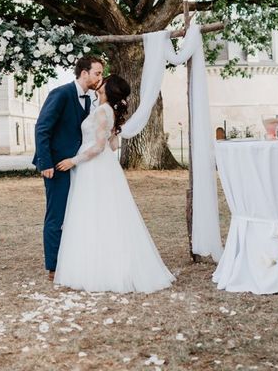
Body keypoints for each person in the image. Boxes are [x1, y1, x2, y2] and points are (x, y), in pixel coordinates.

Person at [53, 75, 175, 293]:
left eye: (105, 79)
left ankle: (98, 270)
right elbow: (113, 145)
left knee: (94, 214)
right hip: (105, 167)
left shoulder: (102, 111)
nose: (101, 80)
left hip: (94, 167)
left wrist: (74, 160)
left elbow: (100, 147)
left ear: (110, 88)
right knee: (108, 214)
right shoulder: (107, 110)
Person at [33, 55, 104, 281]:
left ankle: (72, 259)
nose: (100, 77)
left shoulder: (91, 99)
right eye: (97, 73)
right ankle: (53, 266)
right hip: (56, 166)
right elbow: (42, 128)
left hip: (77, 165)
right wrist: (45, 163)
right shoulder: (61, 93)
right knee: (56, 215)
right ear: (84, 73)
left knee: (74, 213)